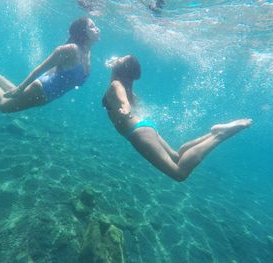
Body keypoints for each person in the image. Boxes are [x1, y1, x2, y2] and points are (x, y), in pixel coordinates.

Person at [102, 55, 252, 182]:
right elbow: (128, 102)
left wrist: (125, 110)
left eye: (119, 60)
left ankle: (219, 136)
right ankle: (213, 133)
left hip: (136, 132)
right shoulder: (129, 89)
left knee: (179, 173)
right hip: (144, 127)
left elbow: (123, 101)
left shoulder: (116, 84)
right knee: (177, 156)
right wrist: (127, 110)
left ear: (119, 68)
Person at [0, 17, 100, 113]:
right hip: (42, 90)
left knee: (13, 92)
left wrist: (20, 89)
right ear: (82, 31)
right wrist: (22, 88)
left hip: (47, 94)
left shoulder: (86, 53)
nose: (97, 29)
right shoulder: (70, 50)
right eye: (92, 27)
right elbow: (41, 68)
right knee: (4, 107)